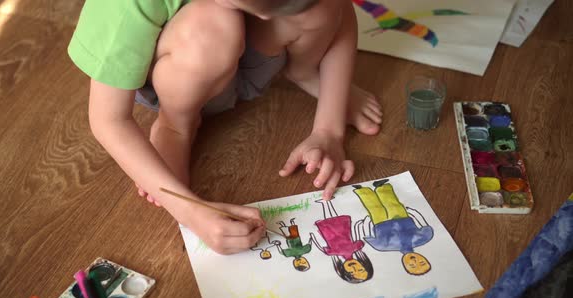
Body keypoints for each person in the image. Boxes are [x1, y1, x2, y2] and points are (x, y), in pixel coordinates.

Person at [68, 0, 383, 255]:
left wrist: (328, 130)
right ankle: (176, 124)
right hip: (183, 73)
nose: (262, 16)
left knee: (321, 8)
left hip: (248, 62)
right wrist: (191, 213)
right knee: (214, 23)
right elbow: (108, 120)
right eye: (262, 9)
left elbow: (338, 9)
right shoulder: (124, 6)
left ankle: (307, 72)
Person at [353, 180, 434, 275]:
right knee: (392, 204)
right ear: (424, 258)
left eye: (412, 265)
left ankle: (362, 191)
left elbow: (367, 235)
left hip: (380, 222)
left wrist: (367, 222)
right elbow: (424, 224)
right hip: (402, 218)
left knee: (374, 207)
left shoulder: (383, 247)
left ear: (404, 264)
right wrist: (412, 212)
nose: (415, 261)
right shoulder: (423, 238)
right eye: (421, 262)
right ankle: (381, 187)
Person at [311, 200, 373, 283]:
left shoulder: (334, 253)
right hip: (343, 230)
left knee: (327, 220)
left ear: (343, 270)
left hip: (329, 234)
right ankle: (327, 202)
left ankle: (324, 204)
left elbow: (323, 247)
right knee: (335, 217)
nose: (354, 268)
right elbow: (358, 241)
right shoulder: (354, 249)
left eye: (351, 272)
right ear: (363, 263)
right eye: (360, 269)